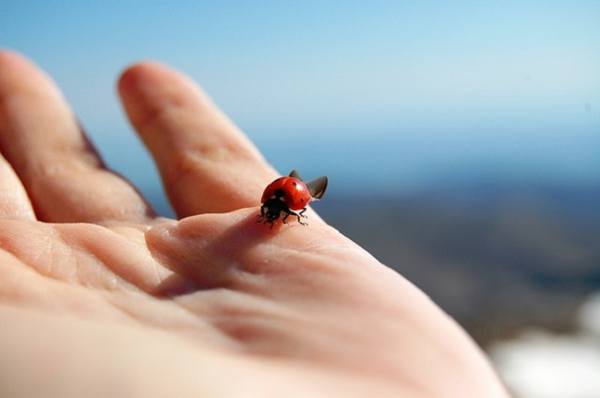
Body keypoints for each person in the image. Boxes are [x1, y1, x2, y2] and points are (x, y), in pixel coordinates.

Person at [0, 50, 509, 397]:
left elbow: (288, 199)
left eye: (276, 212)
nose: (272, 216)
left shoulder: (282, 200)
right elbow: (290, 201)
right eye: (275, 211)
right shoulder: (286, 203)